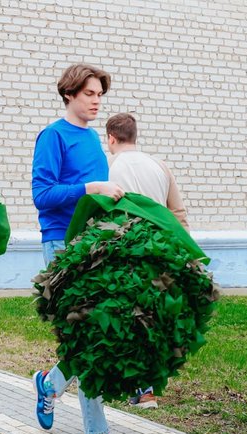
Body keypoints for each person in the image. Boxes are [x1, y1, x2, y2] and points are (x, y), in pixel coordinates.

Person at [31, 63, 124, 434]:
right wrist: (90, 188)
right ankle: (97, 433)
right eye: (89, 94)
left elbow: (97, 193)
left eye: (100, 95)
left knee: (92, 337)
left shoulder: (92, 140)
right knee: (85, 338)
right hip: (61, 245)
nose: (96, 101)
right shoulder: (53, 136)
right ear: (69, 94)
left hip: (94, 246)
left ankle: (50, 385)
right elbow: (42, 196)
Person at [106, 112, 190, 409]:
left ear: (111, 138)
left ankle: (135, 386)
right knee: (150, 316)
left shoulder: (108, 167)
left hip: (123, 251)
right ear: (135, 136)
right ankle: (146, 388)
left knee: (123, 318)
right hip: (159, 250)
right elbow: (177, 213)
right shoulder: (159, 166)